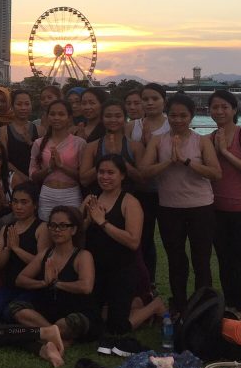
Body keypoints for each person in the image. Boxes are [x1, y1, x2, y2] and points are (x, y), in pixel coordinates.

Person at [139, 93, 221, 316]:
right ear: (168, 115)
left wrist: (186, 161)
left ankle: (203, 308)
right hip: (169, 208)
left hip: (200, 207)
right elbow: (144, 173)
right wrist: (168, 161)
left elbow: (215, 173)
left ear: (191, 116)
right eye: (173, 115)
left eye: (183, 115)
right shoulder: (158, 141)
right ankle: (179, 306)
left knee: (201, 259)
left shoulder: (202, 141)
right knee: (176, 259)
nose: (177, 120)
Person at [82, 155, 144, 355]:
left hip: (121, 268)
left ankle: (153, 306)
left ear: (122, 175)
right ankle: (129, 302)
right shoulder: (91, 199)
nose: (105, 177)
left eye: (111, 172)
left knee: (117, 328)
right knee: (91, 325)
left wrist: (103, 222)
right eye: (101, 172)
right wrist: (88, 219)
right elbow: (76, 233)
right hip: (94, 269)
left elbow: (133, 242)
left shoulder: (130, 202)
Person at [12, 206, 99, 344]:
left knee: (68, 323)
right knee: (17, 309)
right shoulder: (45, 254)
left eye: (63, 226)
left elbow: (86, 287)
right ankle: (56, 336)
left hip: (76, 311)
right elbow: (20, 279)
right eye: (53, 225)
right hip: (49, 311)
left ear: (74, 230)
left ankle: (49, 335)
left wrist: (56, 283)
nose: (57, 230)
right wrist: (42, 283)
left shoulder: (83, 256)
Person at [208, 89, 241, 313]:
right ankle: (228, 305)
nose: (219, 111)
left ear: (234, 110)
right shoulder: (208, 138)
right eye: (215, 107)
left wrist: (225, 153)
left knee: (240, 259)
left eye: (224, 107)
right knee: (223, 259)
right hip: (216, 209)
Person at [0, 183, 47, 321]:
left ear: (35, 205)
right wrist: (7, 248)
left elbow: (42, 265)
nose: (18, 207)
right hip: (10, 286)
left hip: (32, 287)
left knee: (9, 313)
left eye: (24, 202)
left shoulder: (42, 228)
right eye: (15, 202)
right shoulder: (6, 229)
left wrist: (17, 249)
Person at [130, 82, 169, 284]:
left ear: (164, 101)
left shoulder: (172, 124)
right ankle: (146, 282)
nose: (150, 102)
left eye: (155, 98)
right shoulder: (133, 125)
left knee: (171, 241)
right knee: (143, 239)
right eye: (145, 99)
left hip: (168, 191)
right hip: (141, 190)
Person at [29, 100, 86, 219]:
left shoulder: (79, 143)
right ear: (47, 117)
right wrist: (49, 169)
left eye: (61, 114)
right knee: (46, 230)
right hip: (47, 194)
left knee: (71, 231)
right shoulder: (38, 143)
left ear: (69, 118)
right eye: (53, 114)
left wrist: (61, 166)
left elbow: (83, 177)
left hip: (71, 194)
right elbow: (33, 175)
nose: (56, 118)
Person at [79, 99, 143, 190]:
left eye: (118, 116)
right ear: (101, 119)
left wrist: (120, 159)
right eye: (108, 116)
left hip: (128, 199)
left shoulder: (135, 146)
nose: (113, 120)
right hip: (98, 199)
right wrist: (107, 157)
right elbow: (84, 181)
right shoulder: (92, 147)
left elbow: (142, 179)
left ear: (125, 118)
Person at [0, 89, 37, 184]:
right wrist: (24, 178)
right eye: (19, 104)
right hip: (14, 181)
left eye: (27, 104)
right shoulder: (4, 131)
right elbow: (4, 160)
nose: (23, 108)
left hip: (37, 179)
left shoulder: (40, 130)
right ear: (12, 106)